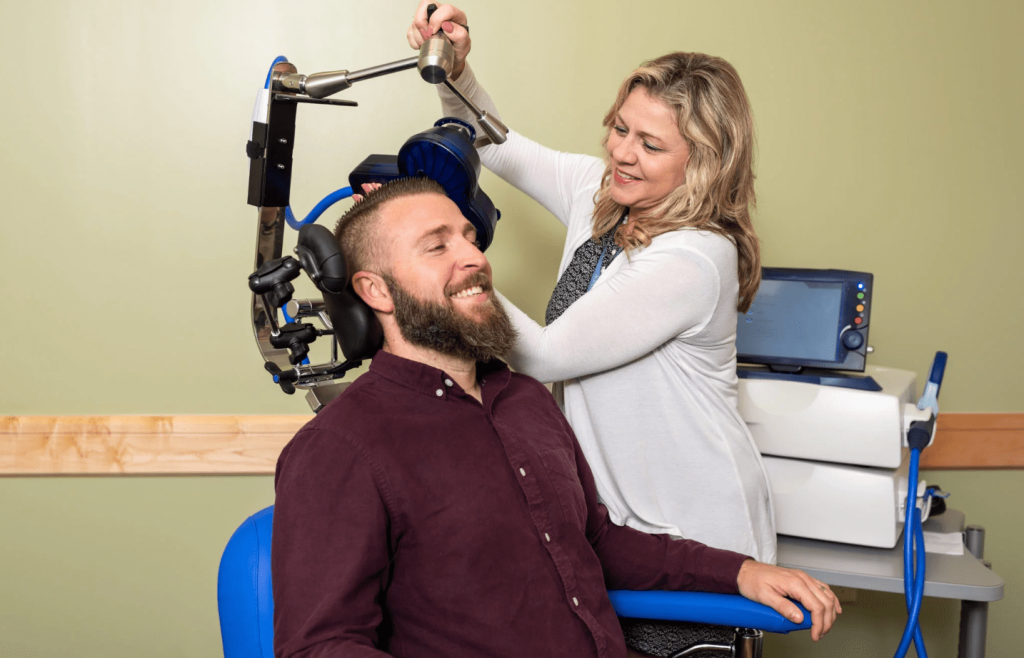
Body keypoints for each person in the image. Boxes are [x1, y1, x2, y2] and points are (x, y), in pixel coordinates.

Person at [271, 177, 840, 658]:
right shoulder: (342, 447)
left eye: (469, 237)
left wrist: (739, 572)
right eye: (436, 246)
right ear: (376, 290)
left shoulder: (525, 400)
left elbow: (595, 540)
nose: (473, 257)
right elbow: (321, 646)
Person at [406, 1, 776, 564]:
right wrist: (456, 73)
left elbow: (545, 355)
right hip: (622, 525)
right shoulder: (603, 193)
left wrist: (441, 260)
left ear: (704, 162)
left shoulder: (694, 257)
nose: (623, 153)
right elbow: (496, 145)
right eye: (620, 128)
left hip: (699, 530)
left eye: (650, 145)